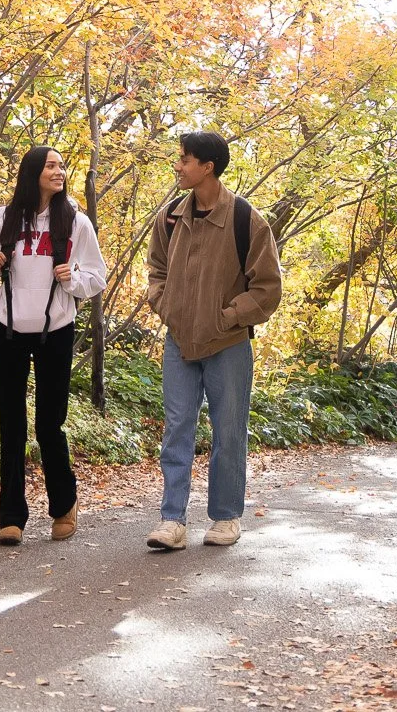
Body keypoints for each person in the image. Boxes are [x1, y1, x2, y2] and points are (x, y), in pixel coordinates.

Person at [142, 131, 282, 550]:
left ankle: (225, 517)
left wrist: (227, 318)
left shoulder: (245, 219)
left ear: (208, 166)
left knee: (228, 430)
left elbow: (268, 287)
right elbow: (156, 273)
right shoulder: (169, 217)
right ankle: (172, 520)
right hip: (179, 342)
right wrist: (168, 308)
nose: (178, 166)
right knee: (177, 428)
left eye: (184, 160)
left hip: (228, 345)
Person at [0, 146, 107, 546]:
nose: (59, 172)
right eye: (51, 166)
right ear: (32, 172)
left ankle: (63, 506)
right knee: (11, 424)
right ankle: (11, 516)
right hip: (8, 329)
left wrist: (72, 279)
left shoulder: (75, 223)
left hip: (56, 330)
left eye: (62, 166)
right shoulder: (2, 219)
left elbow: (96, 275)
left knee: (50, 424)